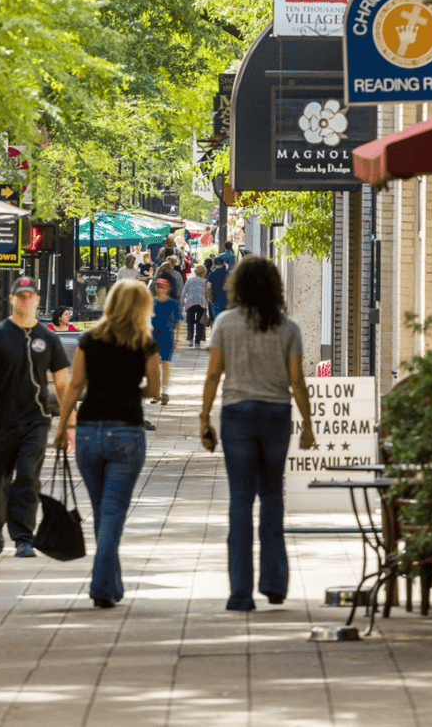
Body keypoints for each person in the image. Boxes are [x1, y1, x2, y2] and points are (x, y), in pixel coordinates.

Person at [199, 257, 316, 612]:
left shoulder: (224, 324)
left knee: (240, 501)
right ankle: (275, 582)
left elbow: (213, 375)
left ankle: (240, 593)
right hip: (276, 415)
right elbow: (297, 380)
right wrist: (308, 424)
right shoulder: (288, 327)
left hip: (237, 416)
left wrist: (205, 419)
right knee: (272, 496)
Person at [53, 280, 160, 608]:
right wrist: (131, 392)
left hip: (88, 431)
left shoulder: (89, 340)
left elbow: (75, 384)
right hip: (126, 429)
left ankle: (111, 585)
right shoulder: (145, 343)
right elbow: (154, 390)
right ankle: (103, 584)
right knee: (113, 510)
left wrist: (62, 426)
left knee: (102, 510)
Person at [0, 274, 72, 558]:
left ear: (38, 300)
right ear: (12, 299)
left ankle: (23, 538)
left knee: (28, 477)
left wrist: (69, 424)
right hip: (1, 422)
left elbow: (63, 384)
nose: (26, 301)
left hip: (36, 421)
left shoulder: (48, 338)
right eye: (21, 297)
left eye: (30, 297)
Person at [150, 277, 180, 405]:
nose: (160, 289)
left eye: (163, 287)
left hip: (167, 337)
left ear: (167, 289)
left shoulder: (173, 303)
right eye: (158, 287)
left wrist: (178, 338)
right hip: (153, 337)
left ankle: (165, 392)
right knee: (154, 366)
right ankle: (156, 393)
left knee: (166, 364)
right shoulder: (151, 303)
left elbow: (178, 322)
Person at [180, 265, 210, 349]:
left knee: (190, 322)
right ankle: (197, 342)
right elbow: (207, 294)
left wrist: (182, 303)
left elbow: (184, 292)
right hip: (201, 303)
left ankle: (190, 340)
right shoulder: (205, 281)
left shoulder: (189, 280)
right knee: (200, 324)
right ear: (203, 272)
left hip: (190, 302)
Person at [207, 256, 230, 322]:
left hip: (215, 300)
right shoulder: (228, 274)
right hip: (227, 300)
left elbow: (208, 287)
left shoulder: (211, 275)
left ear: (214, 264)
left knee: (218, 321)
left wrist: (210, 298)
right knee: (227, 321)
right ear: (223, 264)